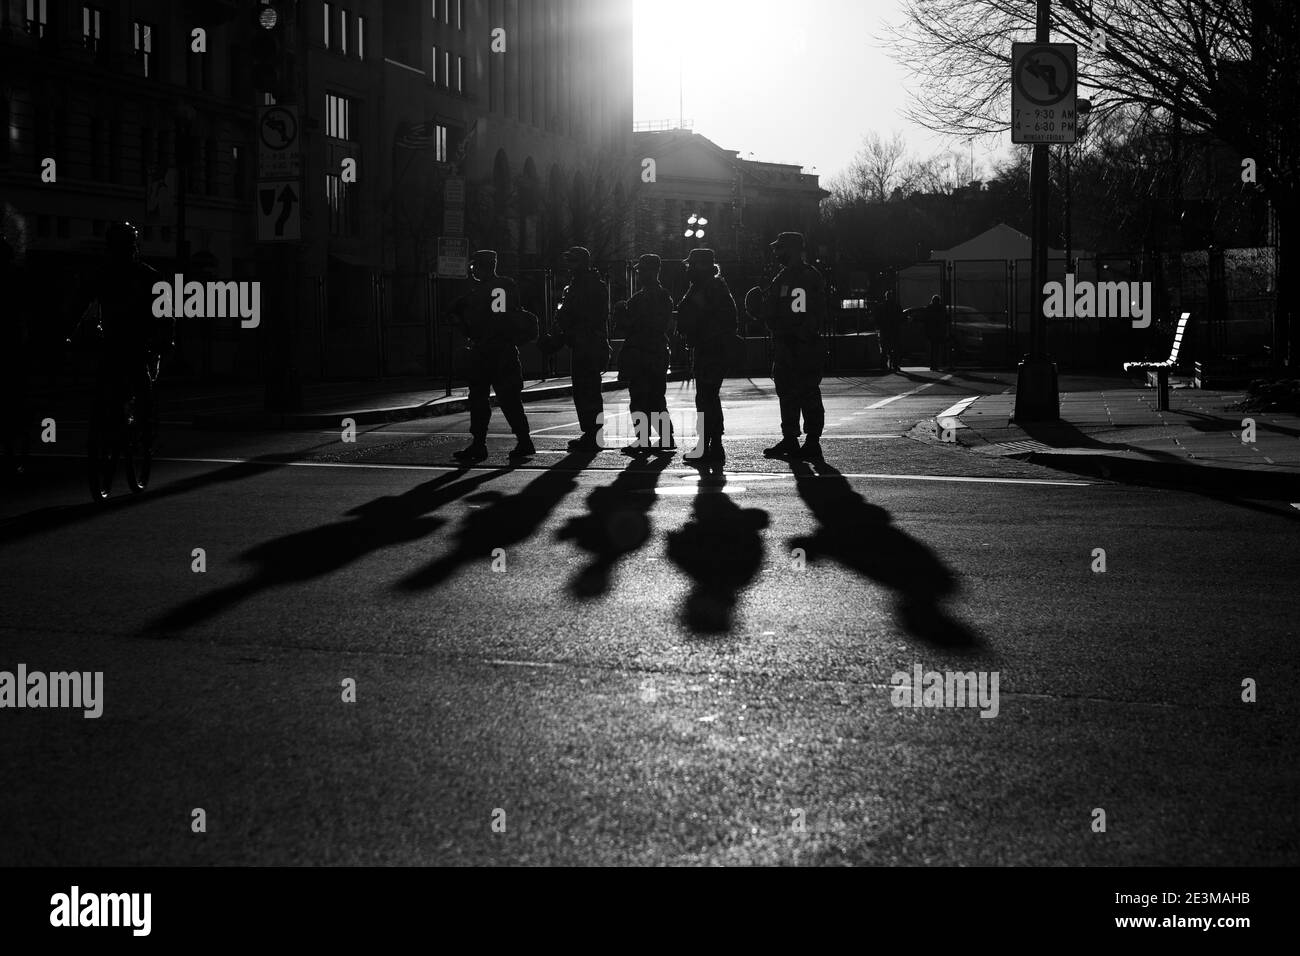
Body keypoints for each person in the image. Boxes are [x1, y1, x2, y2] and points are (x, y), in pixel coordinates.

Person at [74, 222, 171, 448]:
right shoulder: (147, 276)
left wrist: (163, 338)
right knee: (129, 385)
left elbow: (76, 307)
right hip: (122, 342)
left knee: (136, 384)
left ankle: (142, 427)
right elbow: (77, 307)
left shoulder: (113, 275)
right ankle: (139, 428)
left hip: (131, 342)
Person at [446, 249, 535, 463]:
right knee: (478, 399)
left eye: (476, 266)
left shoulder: (499, 288)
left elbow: (500, 317)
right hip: (483, 352)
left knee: (509, 399)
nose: (473, 269)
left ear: (486, 266)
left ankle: (524, 441)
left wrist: (481, 330)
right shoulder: (480, 291)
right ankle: (478, 444)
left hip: (499, 352)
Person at [757, 231, 826, 461]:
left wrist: (794, 337)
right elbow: (771, 309)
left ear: (794, 250)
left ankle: (812, 441)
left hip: (800, 347)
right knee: (786, 393)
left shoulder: (803, 277)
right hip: (786, 347)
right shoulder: (783, 277)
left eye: (781, 248)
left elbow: (803, 314)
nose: (777, 253)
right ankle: (790, 439)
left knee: (807, 393)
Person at [675, 248, 737, 464]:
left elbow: (722, 319)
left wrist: (698, 328)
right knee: (706, 398)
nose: (688, 269)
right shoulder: (705, 287)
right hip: (706, 348)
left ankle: (711, 446)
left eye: (692, 265)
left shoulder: (711, 288)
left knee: (707, 399)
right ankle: (710, 446)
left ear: (702, 266)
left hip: (712, 349)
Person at [613, 253, 675, 454]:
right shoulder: (650, 295)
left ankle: (650, 439)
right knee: (652, 397)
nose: (640, 274)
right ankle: (661, 438)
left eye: (643, 270)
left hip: (647, 352)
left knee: (644, 397)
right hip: (650, 351)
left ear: (654, 271)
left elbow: (646, 325)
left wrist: (624, 315)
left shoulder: (653, 296)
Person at [554, 246, 610, 452]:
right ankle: (590, 432)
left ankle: (594, 433)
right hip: (579, 342)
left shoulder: (592, 285)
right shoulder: (576, 285)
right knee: (581, 389)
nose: (570, 266)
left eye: (574, 261)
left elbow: (594, 316)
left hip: (589, 342)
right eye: (569, 261)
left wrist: (570, 320)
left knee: (589, 390)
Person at [876, 290, 905, 373]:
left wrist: (880, 326)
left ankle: (884, 365)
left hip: (884, 330)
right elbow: (901, 317)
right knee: (895, 348)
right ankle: (895, 365)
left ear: (885, 297)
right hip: (894, 330)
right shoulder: (896, 306)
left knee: (884, 348)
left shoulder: (881, 306)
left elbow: (877, 318)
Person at [923, 294, 948, 370]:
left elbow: (926, 320)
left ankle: (932, 364)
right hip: (939, 331)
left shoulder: (929, 308)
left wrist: (926, 331)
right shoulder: (941, 308)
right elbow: (944, 319)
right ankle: (937, 364)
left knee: (932, 348)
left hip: (931, 331)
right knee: (937, 349)